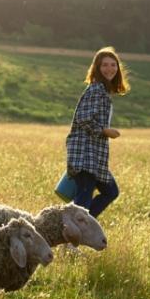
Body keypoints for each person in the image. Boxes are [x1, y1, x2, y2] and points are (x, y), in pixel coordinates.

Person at [64, 46, 130, 218]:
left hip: (95, 157)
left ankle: (80, 226)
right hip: (85, 155)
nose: (109, 69)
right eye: (104, 65)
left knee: (110, 191)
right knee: (83, 201)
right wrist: (105, 131)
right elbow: (83, 119)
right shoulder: (96, 90)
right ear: (97, 69)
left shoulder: (103, 91)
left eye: (113, 65)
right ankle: (72, 234)